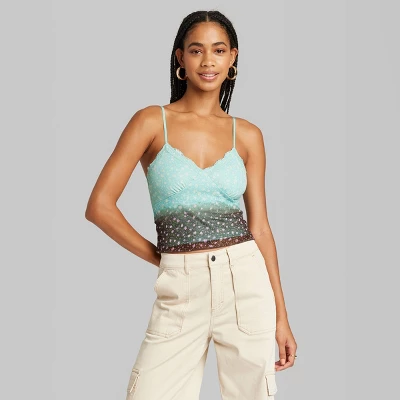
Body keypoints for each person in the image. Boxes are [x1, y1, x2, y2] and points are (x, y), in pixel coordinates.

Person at [85, 9, 297, 400]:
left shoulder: (247, 135)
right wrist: (160, 257)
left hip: (245, 281)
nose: (208, 61)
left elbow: (260, 228)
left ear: (232, 58)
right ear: (180, 57)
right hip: (181, 285)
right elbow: (99, 206)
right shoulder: (151, 122)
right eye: (197, 50)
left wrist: (282, 317)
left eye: (218, 50)